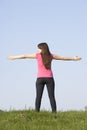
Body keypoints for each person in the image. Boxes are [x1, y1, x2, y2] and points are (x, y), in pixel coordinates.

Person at [8, 42, 81, 112]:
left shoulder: (37, 55)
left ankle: (37, 112)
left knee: (38, 97)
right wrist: (74, 58)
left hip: (40, 79)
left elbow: (24, 56)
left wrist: (13, 57)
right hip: (49, 78)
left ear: (42, 49)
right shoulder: (51, 55)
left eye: (38, 48)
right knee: (51, 97)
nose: (37, 50)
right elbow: (63, 58)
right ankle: (54, 113)